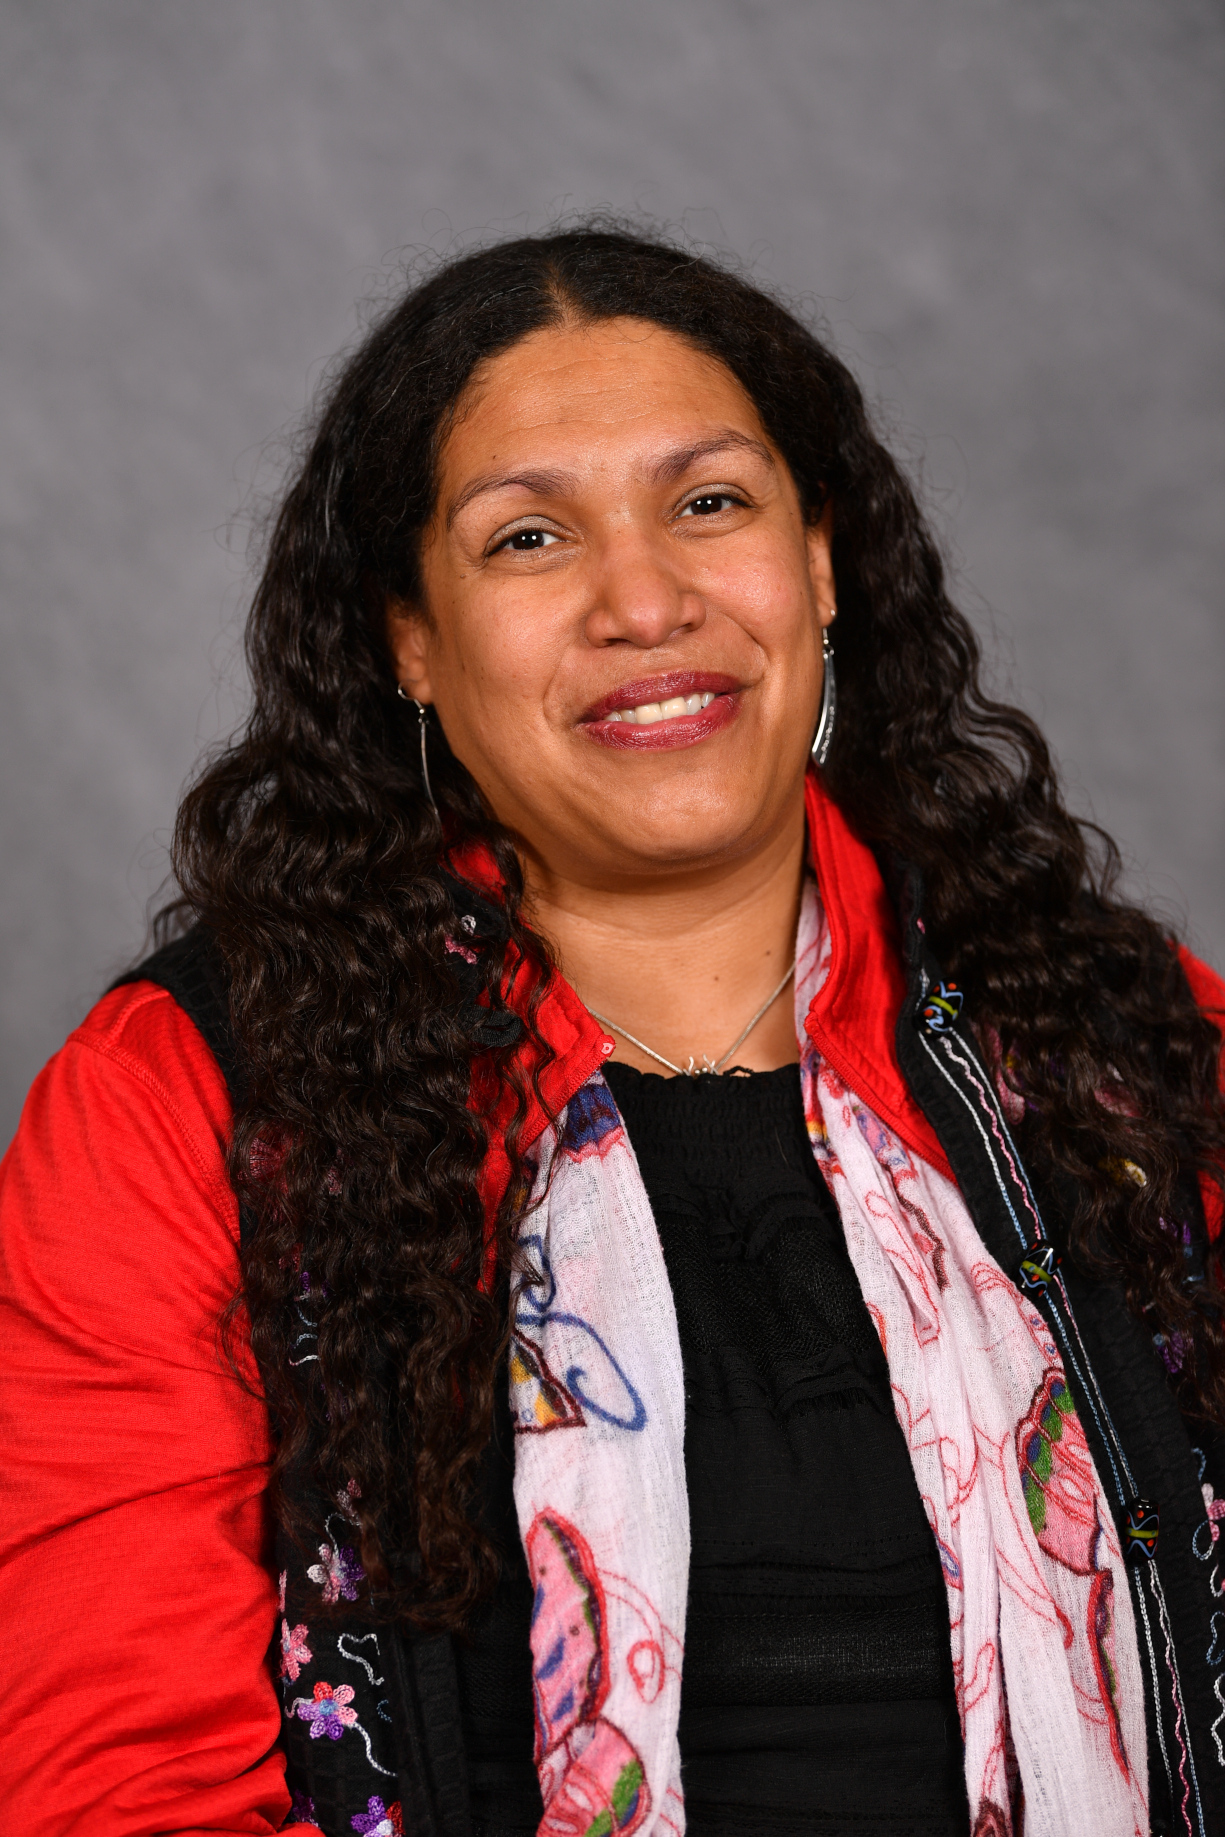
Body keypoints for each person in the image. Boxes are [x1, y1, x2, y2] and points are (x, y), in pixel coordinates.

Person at [2, 227, 1223, 1837]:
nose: (645, 601)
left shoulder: (1122, 1042)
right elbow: (122, 1789)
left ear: (820, 562)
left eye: (708, 504)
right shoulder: (186, 1097)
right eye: (527, 537)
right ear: (409, 640)